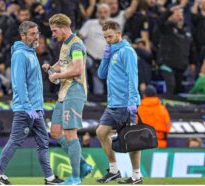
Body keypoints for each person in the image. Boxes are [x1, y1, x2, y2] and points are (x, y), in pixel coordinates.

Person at [0, 21, 63, 185]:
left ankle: (50, 178)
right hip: (26, 108)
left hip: (36, 108)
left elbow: (33, 83)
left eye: (37, 33)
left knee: (43, 143)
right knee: (15, 141)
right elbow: (18, 83)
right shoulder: (20, 55)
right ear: (23, 36)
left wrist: (37, 107)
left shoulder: (31, 53)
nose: (36, 36)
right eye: (32, 34)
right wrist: (27, 106)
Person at [42, 13, 92, 185]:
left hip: (74, 92)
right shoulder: (66, 44)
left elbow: (77, 69)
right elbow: (63, 63)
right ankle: (83, 165)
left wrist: (57, 75)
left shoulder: (76, 45)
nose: (53, 34)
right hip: (64, 93)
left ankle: (76, 177)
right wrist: (51, 67)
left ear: (63, 28)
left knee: (70, 133)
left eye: (55, 31)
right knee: (55, 132)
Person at [95, 20, 142, 184]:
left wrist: (132, 102)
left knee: (132, 140)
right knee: (101, 132)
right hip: (113, 104)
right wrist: (105, 56)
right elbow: (101, 74)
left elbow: (132, 77)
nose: (107, 40)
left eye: (110, 36)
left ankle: (136, 175)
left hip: (126, 104)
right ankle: (114, 170)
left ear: (118, 34)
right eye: (105, 37)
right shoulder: (112, 51)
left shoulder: (127, 51)